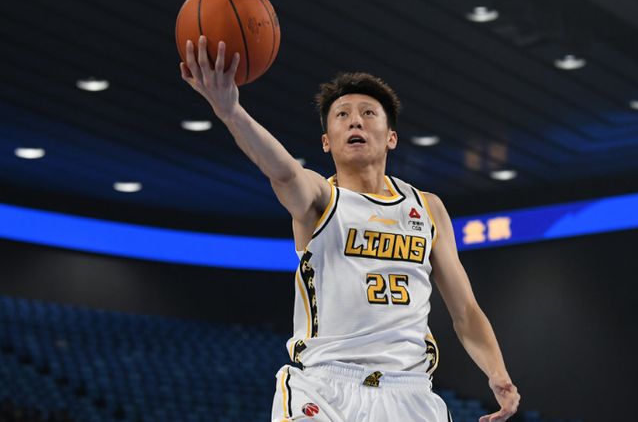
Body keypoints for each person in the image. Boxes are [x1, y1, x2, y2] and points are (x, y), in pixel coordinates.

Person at [180, 36, 521, 422]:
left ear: (391, 137)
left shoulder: (428, 208)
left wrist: (497, 372)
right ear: (327, 142)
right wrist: (231, 112)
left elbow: (466, 311)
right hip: (326, 386)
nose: (355, 120)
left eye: (368, 113)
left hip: (409, 392)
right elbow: (283, 171)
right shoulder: (320, 199)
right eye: (342, 115)